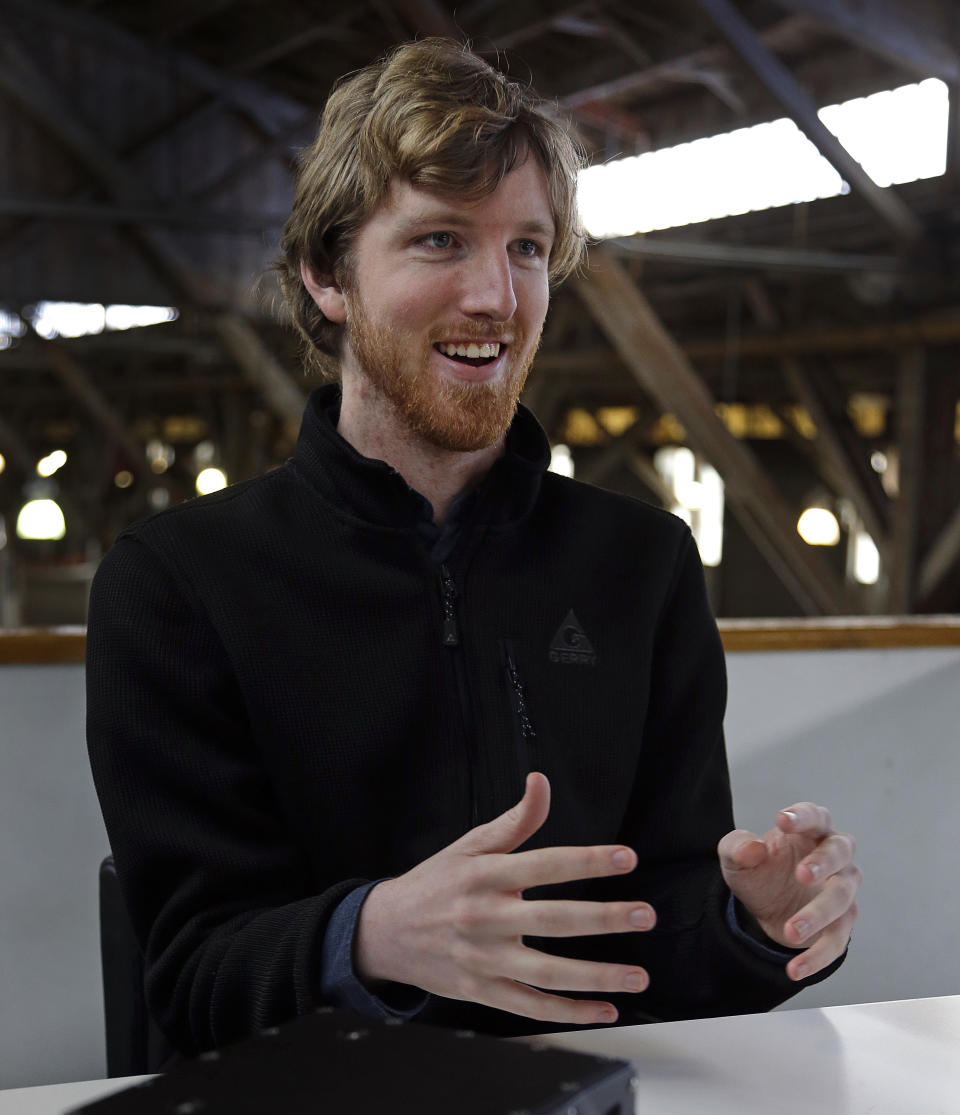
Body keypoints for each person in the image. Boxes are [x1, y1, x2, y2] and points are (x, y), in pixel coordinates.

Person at [86, 39, 860, 1060]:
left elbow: (652, 937)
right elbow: (188, 978)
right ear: (327, 275)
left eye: (527, 248)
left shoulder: (641, 564)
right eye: (441, 241)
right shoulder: (176, 585)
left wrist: (753, 923)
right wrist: (372, 934)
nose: (497, 295)